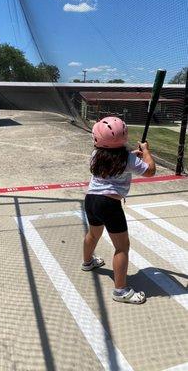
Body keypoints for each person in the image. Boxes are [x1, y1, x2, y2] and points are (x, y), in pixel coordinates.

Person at [82, 116, 156, 304]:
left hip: (91, 200)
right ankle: (120, 290)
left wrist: (132, 156)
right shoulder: (128, 159)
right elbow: (150, 170)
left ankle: (88, 262)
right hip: (109, 204)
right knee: (122, 247)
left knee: (93, 233)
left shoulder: (95, 155)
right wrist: (145, 152)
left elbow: (114, 158)